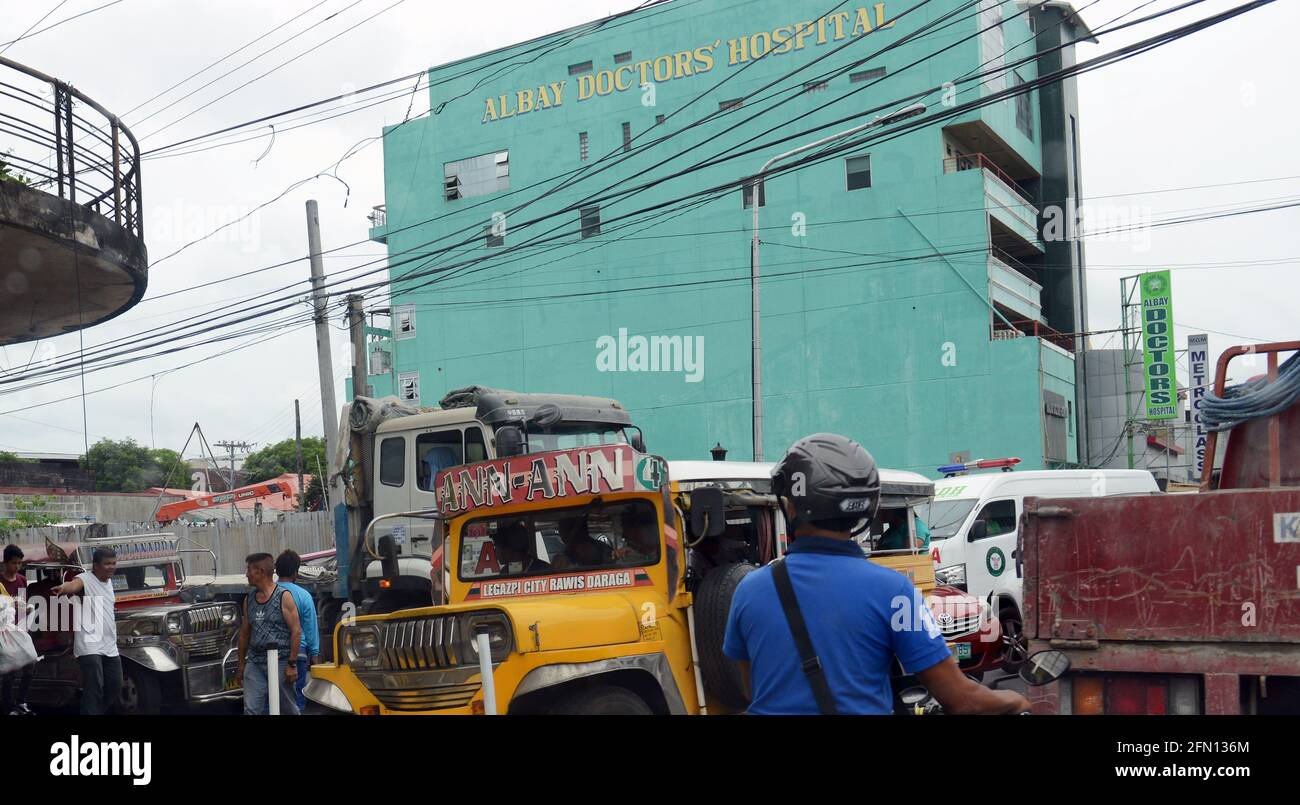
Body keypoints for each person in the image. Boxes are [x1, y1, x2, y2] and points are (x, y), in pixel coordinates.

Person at [722, 433, 1030, 715]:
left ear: (791, 507)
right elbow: (961, 699)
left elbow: (753, 689)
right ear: (866, 508)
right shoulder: (897, 591)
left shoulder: (748, 590)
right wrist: (1017, 701)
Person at [51, 547, 121, 715]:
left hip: (110, 645)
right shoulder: (85, 579)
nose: (111, 567)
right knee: (94, 687)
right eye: (107, 564)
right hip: (89, 645)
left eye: (113, 563)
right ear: (96, 565)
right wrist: (64, 588)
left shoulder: (109, 582)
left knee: (115, 685)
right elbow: (73, 585)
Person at [235, 553, 301, 715]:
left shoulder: (283, 597)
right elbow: (244, 634)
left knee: (287, 709)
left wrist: (292, 664)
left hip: (280, 662)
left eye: (249, 570)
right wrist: (241, 664)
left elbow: (296, 631)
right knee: (251, 709)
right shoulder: (249, 600)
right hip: (255, 663)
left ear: (262, 571)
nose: (246, 574)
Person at [274, 550, 320, 712]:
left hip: (271, 655)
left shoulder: (267, 594)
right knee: (297, 700)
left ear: (277, 570)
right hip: (297, 655)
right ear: (295, 572)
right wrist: (314, 655)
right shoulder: (304, 596)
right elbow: (310, 628)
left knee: (270, 699)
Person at [0, 545, 33, 715]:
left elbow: (22, 602)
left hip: (19, 629)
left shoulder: (22, 580)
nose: (17, 567)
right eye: (14, 563)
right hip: (3, 631)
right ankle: (7, 705)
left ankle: (21, 701)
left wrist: (26, 608)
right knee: (9, 671)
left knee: (30, 664)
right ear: (5, 563)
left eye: (20, 563)